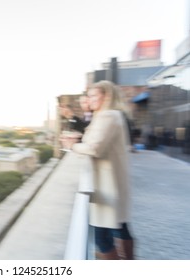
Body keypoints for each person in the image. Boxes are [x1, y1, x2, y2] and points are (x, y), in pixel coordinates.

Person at [61, 80, 134, 260]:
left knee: (102, 238)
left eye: (93, 95)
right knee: (120, 227)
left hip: (107, 185)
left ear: (106, 96)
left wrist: (72, 146)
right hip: (112, 182)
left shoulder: (108, 116)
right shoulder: (110, 115)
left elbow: (95, 148)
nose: (89, 99)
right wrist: (80, 139)